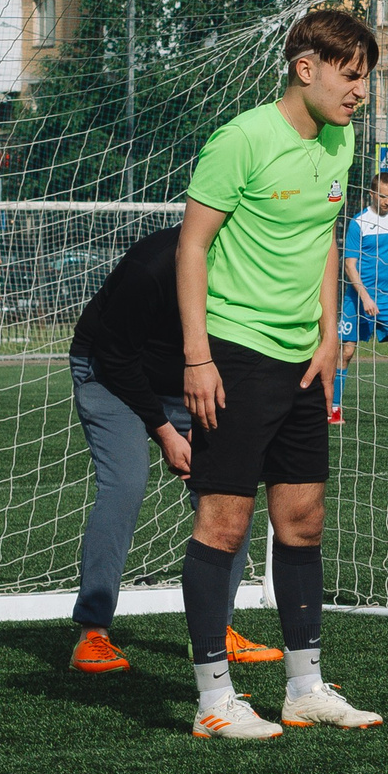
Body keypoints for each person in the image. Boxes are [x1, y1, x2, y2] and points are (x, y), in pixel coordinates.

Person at [176, 8, 387, 738]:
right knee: (224, 522)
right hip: (233, 354)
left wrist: (332, 333)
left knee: (302, 521)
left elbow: (324, 236)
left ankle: (304, 688)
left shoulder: (341, 138)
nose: (361, 92)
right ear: (307, 68)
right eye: (351, 76)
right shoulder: (242, 140)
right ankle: (213, 700)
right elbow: (192, 249)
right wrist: (197, 357)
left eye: (367, 79)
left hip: (305, 361)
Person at [64, 226, 280, 677]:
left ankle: (217, 629)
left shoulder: (250, 263)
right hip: (109, 374)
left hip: (187, 384)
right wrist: (165, 432)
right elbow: (116, 355)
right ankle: (92, 632)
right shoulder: (153, 265)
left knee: (228, 490)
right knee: (125, 483)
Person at [334, 170, 388, 426]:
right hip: (358, 298)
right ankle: (333, 409)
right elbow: (349, 265)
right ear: (372, 194)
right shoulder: (358, 223)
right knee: (346, 352)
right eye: (383, 196)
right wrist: (365, 297)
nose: (387, 201)